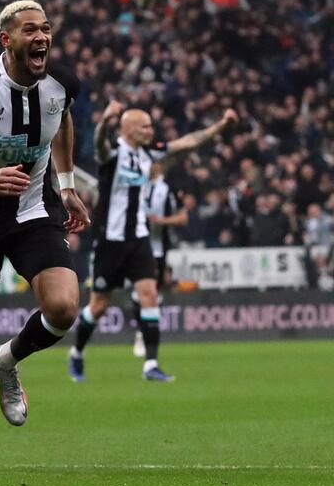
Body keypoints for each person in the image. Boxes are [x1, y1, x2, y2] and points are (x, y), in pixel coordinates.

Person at [0, 0, 90, 462]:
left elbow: (62, 119)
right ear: (7, 39)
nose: (41, 36)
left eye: (46, 28)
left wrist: (66, 186)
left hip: (32, 210)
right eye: (30, 30)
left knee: (64, 308)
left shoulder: (61, 82)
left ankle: (7, 361)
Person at [69, 102, 238, 382]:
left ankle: (150, 364)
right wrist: (106, 121)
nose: (151, 130)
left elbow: (187, 143)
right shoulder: (112, 152)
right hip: (110, 240)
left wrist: (220, 126)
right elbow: (99, 143)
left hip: (139, 237)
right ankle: (76, 352)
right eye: (145, 126)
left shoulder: (149, 152)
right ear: (129, 129)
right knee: (99, 306)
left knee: (149, 295)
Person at [132, 159, 188, 358]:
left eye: (153, 162)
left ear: (160, 165)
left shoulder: (168, 188)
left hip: (158, 248)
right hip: (135, 244)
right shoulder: (137, 183)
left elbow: (183, 218)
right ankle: (143, 333)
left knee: (151, 291)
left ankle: (145, 333)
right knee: (141, 289)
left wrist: (162, 221)